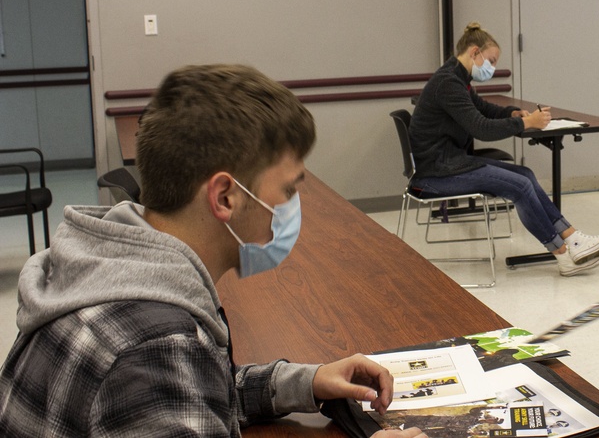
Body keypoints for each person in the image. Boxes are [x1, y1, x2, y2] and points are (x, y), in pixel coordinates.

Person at [0, 64, 425, 438]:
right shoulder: (156, 343)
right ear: (224, 197)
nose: (293, 205)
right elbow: (170, 381)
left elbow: (193, 396)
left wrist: (306, 382)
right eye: (289, 188)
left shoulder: (111, 269)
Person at [408, 22, 599, 277]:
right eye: (491, 60)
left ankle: (573, 239)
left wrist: (512, 113)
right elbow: (482, 128)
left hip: (447, 164)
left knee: (525, 174)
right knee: (519, 186)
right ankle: (564, 256)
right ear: (474, 52)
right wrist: (524, 123)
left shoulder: (456, 77)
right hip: (436, 175)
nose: (492, 68)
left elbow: (483, 108)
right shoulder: (448, 83)